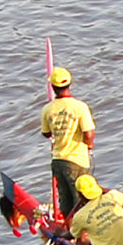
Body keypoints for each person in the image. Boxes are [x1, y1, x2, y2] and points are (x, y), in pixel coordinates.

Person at [38, 68, 96, 217]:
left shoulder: (47, 109)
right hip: (77, 160)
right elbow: (88, 133)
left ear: (52, 87)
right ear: (69, 84)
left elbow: (46, 133)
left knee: (65, 201)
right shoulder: (80, 107)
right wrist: (89, 144)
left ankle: (68, 229)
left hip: (58, 159)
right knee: (81, 200)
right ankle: (80, 235)